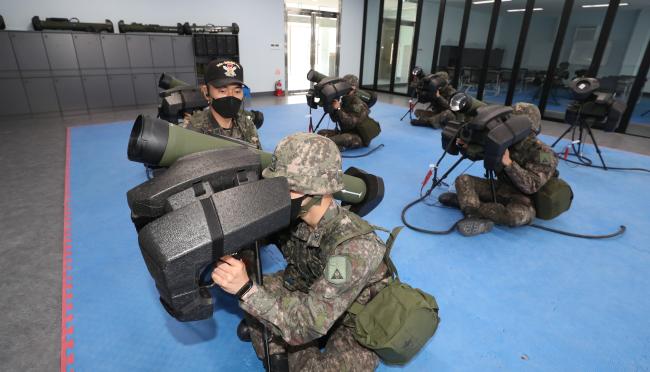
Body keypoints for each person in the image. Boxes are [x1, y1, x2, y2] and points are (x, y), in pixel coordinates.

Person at [211, 133, 390, 371]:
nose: (276, 194)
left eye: (286, 187)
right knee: (256, 285)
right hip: (310, 289)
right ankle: (277, 348)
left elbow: (309, 323)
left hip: (357, 320)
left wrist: (246, 290)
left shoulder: (351, 250)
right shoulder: (294, 214)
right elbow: (252, 243)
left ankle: (277, 345)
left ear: (316, 192)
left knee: (257, 300)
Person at [438, 102, 557, 236]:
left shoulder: (545, 154)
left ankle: (468, 204)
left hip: (525, 199)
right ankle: (471, 213)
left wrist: (509, 164)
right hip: (501, 188)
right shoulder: (506, 139)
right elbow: (481, 155)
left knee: (513, 217)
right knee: (463, 180)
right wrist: (466, 147)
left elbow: (532, 186)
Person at [183, 59, 262, 149]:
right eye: (222, 91)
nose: (231, 96)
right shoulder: (192, 130)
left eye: (237, 91)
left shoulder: (246, 125)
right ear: (206, 92)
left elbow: (258, 157)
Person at [317, 74, 379, 150]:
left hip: (358, 137)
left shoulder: (358, 103)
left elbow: (349, 123)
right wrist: (331, 107)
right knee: (321, 133)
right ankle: (336, 145)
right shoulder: (345, 99)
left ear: (353, 88)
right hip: (345, 132)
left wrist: (338, 108)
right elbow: (335, 119)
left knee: (343, 138)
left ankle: (338, 146)